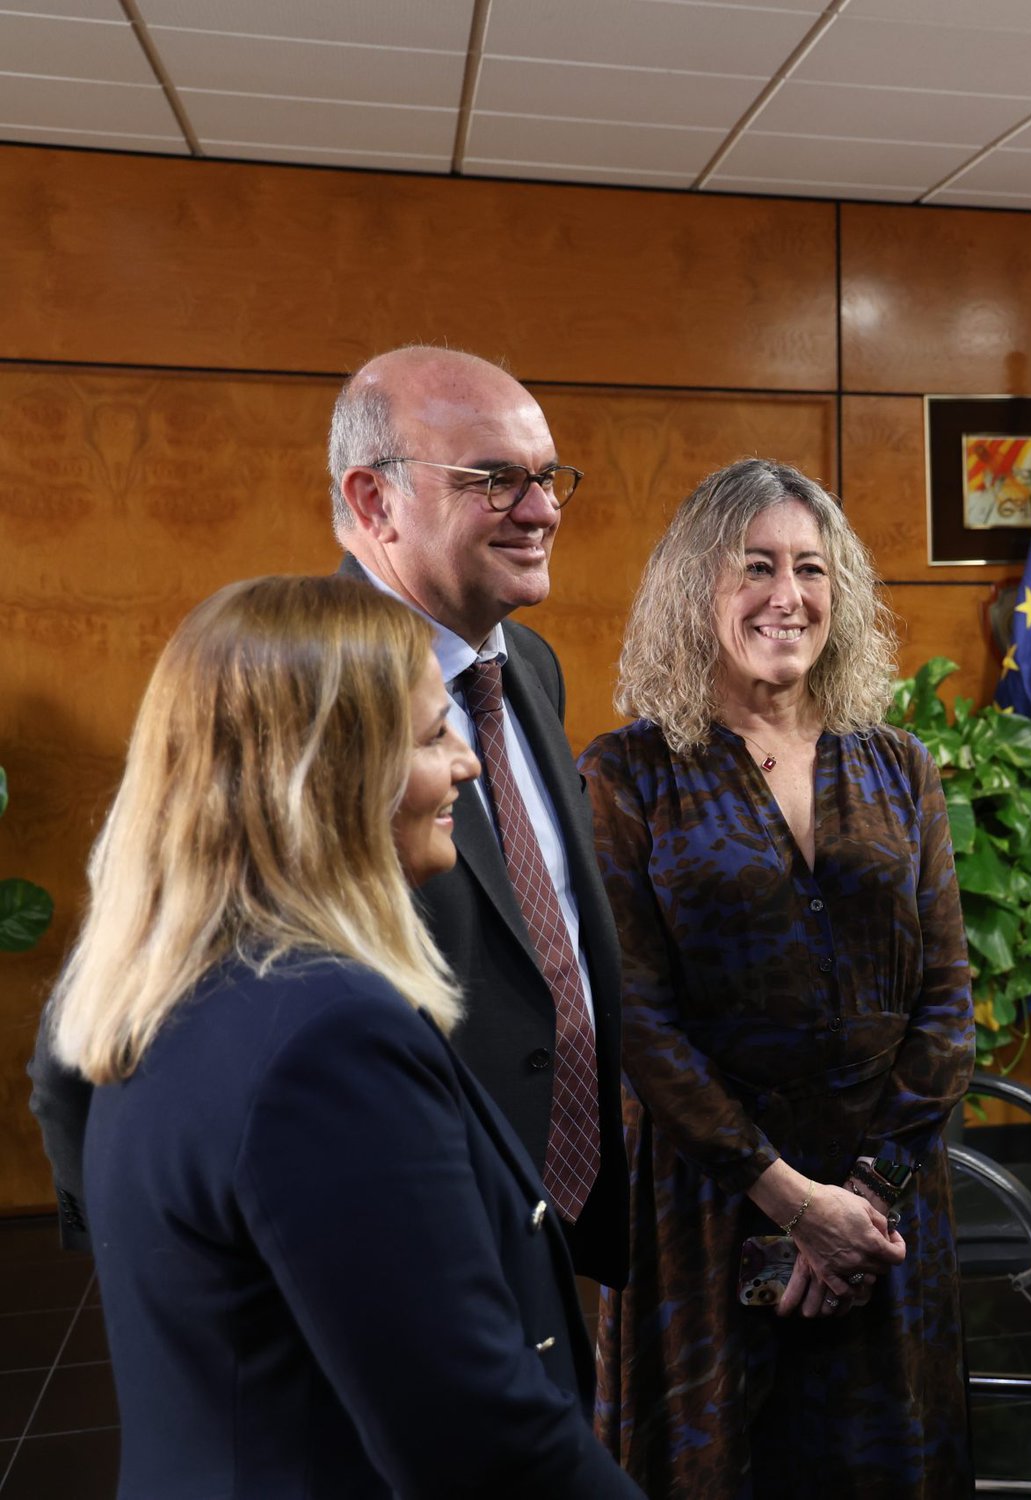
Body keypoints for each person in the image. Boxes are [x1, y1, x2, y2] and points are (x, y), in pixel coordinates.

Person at [29, 346, 631, 1292]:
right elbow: (94, 1021)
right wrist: (160, 1263)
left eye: (549, 478)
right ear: (374, 498)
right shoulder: (284, 686)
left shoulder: (533, 669)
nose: (544, 510)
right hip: (376, 1243)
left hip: (544, 1222)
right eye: (496, 479)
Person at [42, 575, 637, 1496]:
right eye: (435, 736)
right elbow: (480, 1442)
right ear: (331, 772)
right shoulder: (327, 1041)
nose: (469, 765)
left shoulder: (172, 987)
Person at [581, 458, 973, 1496]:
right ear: (694, 590)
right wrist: (792, 1201)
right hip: (709, 1207)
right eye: (755, 566)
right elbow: (638, 1020)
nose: (786, 596)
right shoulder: (626, 774)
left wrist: (862, 1200)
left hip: (884, 1211)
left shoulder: (900, 765)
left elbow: (945, 1005)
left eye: (812, 568)